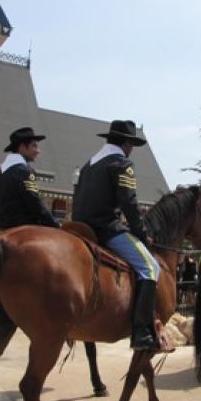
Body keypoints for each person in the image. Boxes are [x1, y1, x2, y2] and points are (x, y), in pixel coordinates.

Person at [72, 120, 161, 351]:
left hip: (81, 227)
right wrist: (142, 235)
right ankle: (141, 331)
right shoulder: (121, 163)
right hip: (106, 229)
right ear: (127, 142)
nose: (132, 150)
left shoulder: (88, 165)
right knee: (151, 268)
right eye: (132, 145)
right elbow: (129, 204)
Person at [0, 127, 60, 230]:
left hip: (1, 229)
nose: (38, 151)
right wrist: (55, 224)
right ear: (23, 147)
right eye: (34, 146)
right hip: (24, 230)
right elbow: (35, 204)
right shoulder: (24, 171)